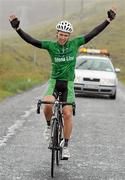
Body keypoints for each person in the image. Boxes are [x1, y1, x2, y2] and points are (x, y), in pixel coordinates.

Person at [9, 7, 116, 159]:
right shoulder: (51, 46)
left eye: (66, 35)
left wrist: (108, 20)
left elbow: (93, 33)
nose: (63, 37)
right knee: (47, 104)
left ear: (68, 35)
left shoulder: (75, 43)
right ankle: (48, 128)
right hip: (55, 82)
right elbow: (32, 41)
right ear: (57, 34)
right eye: (61, 34)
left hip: (68, 83)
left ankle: (65, 146)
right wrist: (18, 28)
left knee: (67, 113)